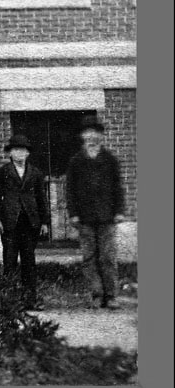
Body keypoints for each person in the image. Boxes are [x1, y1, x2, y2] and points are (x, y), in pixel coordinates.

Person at [66, 116, 125, 310]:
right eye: (87, 133)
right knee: (89, 257)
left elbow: (118, 187)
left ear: (100, 136)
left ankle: (112, 295)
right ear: (83, 136)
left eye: (95, 133)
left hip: (107, 216)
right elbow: (70, 190)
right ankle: (97, 295)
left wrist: (119, 210)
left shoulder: (110, 160)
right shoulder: (76, 161)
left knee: (107, 257)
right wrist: (73, 213)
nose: (91, 137)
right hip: (84, 218)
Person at [0, 134, 50, 309]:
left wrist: (44, 222)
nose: (19, 153)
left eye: (23, 150)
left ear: (28, 153)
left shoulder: (35, 173)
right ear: (10, 153)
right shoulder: (2, 172)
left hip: (29, 222)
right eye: (15, 150)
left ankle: (30, 300)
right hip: (9, 223)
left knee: (29, 262)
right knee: (9, 261)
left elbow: (42, 198)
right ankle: (9, 300)